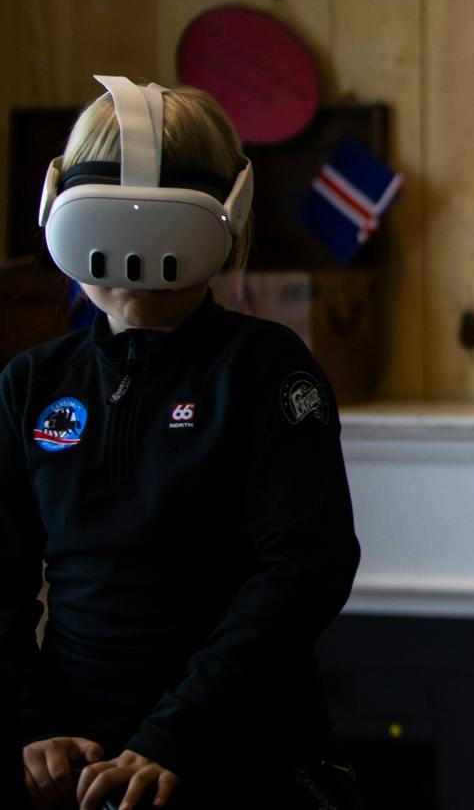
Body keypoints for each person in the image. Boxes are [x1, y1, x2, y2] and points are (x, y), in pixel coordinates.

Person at [5, 79, 363, 810]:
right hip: (76, 763)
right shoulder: (30, 384)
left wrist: (175, 733)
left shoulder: (267, 370)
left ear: (226, 216)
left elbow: (304, 570)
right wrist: (31, 726)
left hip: (240, 753)